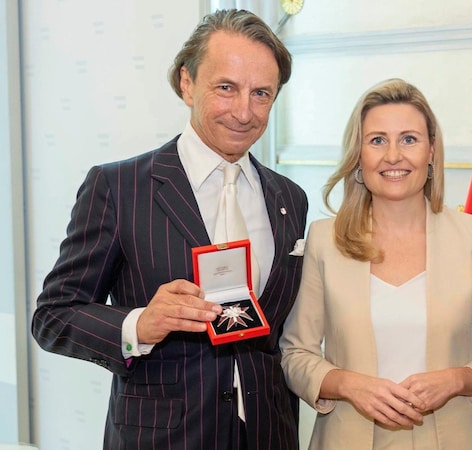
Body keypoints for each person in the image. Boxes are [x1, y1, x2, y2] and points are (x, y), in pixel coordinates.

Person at [31, 9, 308, 449]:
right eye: (225, 88)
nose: (244, 111)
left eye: (261, 94)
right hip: (163, 438)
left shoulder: (289, 198)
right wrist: (140, 324)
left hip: (268, 434)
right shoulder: (118, 187)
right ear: (186, 82)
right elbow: (52, 316)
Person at [279, 78, 472, 449]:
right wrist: (348, 384)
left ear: (431, 151)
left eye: (409, 139)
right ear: (358, 154)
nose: (393, 155)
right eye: (377, 140)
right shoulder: (324, 241)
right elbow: (296, 354)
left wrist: (457, 379)